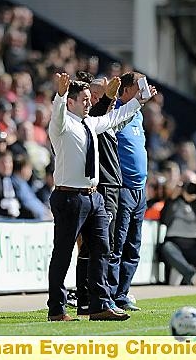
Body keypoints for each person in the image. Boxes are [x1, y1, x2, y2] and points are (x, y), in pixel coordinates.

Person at [46, 72, 154, 322]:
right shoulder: (62, 125)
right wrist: (60, 94)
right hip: (69, 197)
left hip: (93, 197)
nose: (87, 103)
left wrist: (139, 101)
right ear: (71, 102)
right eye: (83, 99)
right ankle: (57, 309)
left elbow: (115, 116)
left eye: (87, 99)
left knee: (102, 250)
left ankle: (100, 304)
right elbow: (58, 113)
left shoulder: (90, 124)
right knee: (63, 254)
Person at [108, 71, 151, 312]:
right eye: (139, 86)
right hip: (123, 188)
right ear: (125, 90)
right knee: (118, 244)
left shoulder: (138, 114)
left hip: (139, 189)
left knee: (133, 246)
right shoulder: (116, 110)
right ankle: (111, 295)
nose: (144, 90)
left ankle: (122, 293)